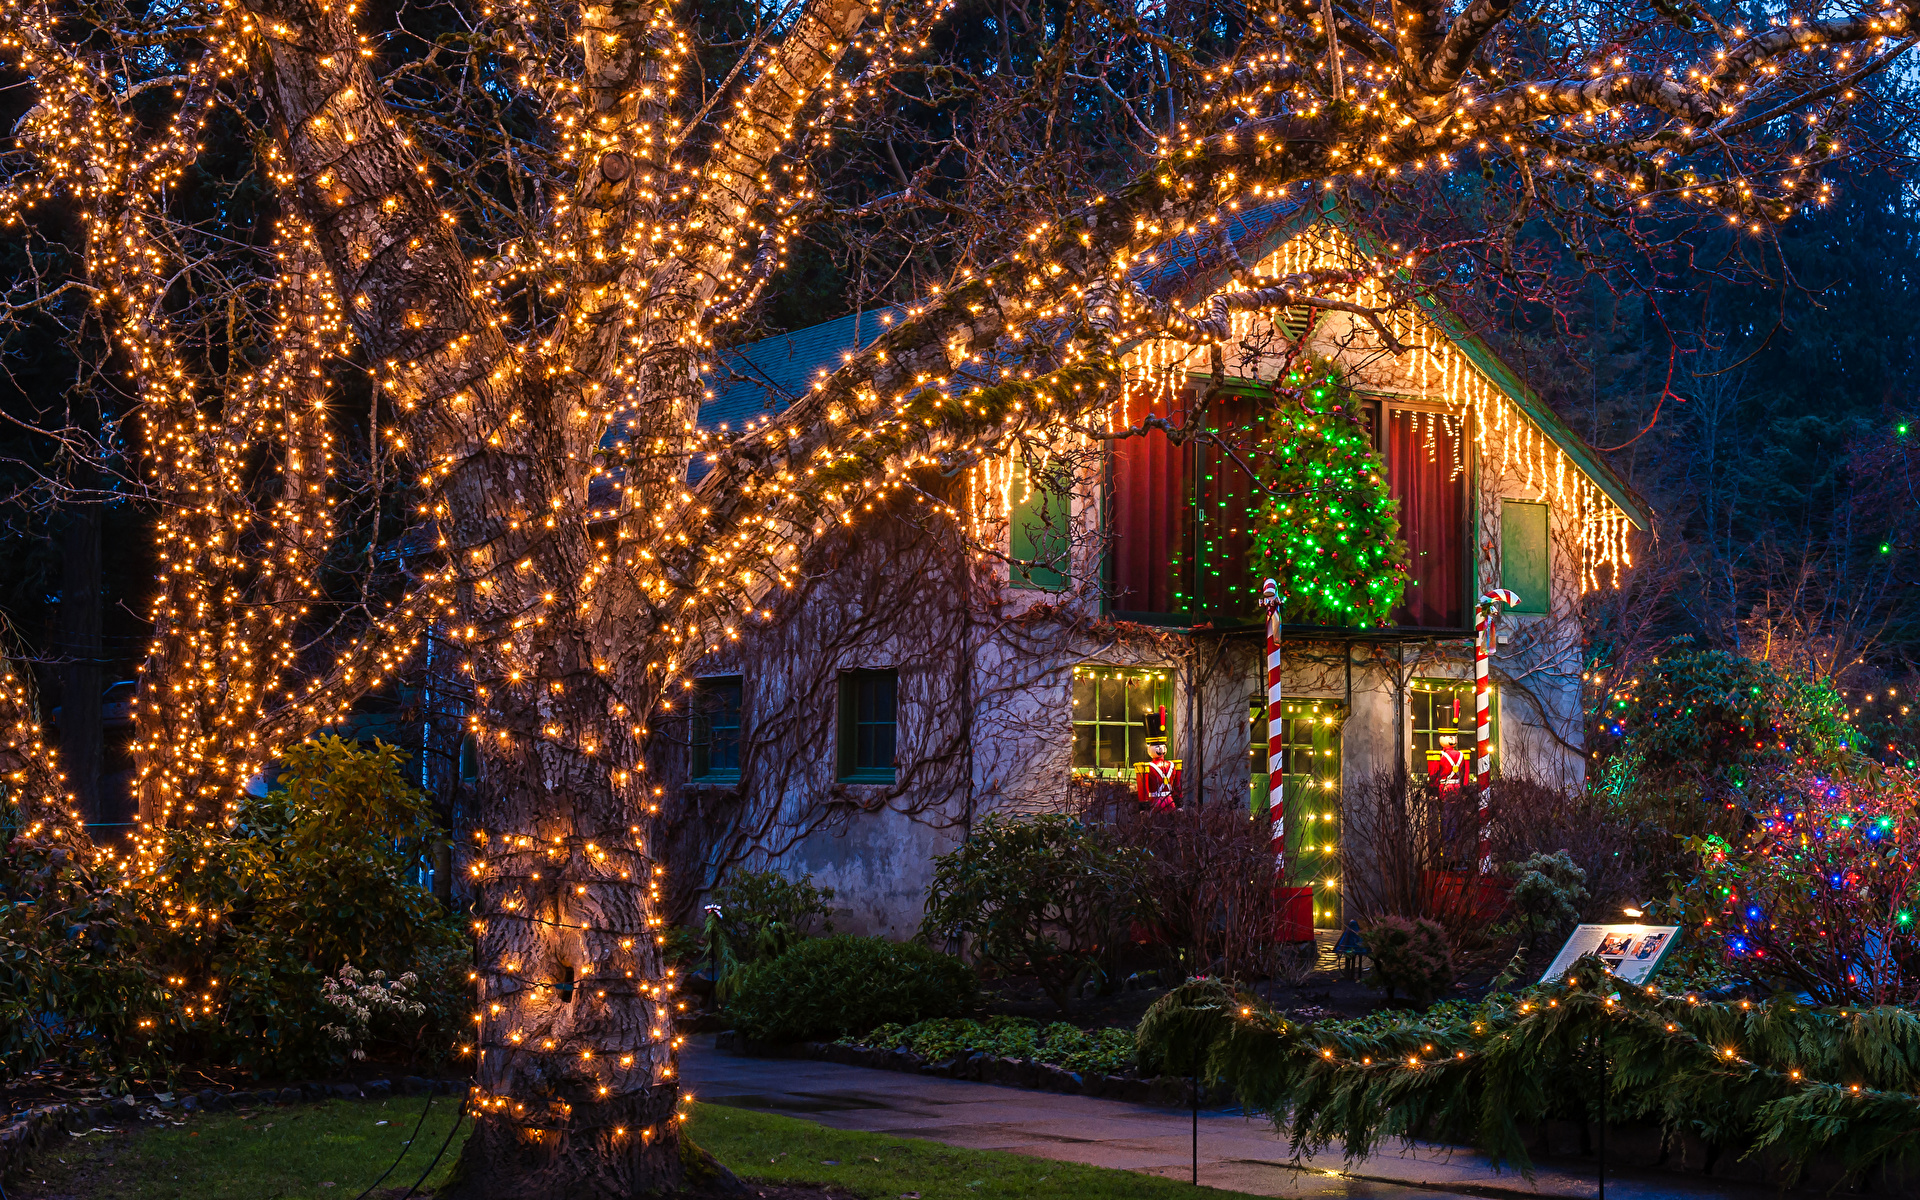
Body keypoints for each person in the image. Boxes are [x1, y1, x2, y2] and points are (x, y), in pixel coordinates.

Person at [1136, 742, 1181, 811]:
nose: (1161, 749)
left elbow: (1143, 788)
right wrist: (1179, 804)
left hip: (1155, 802)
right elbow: (1177, 786)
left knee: (1157, 820)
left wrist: (1143, 807)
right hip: (1170, 801)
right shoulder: (1173, 764)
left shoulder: (1146, 766)